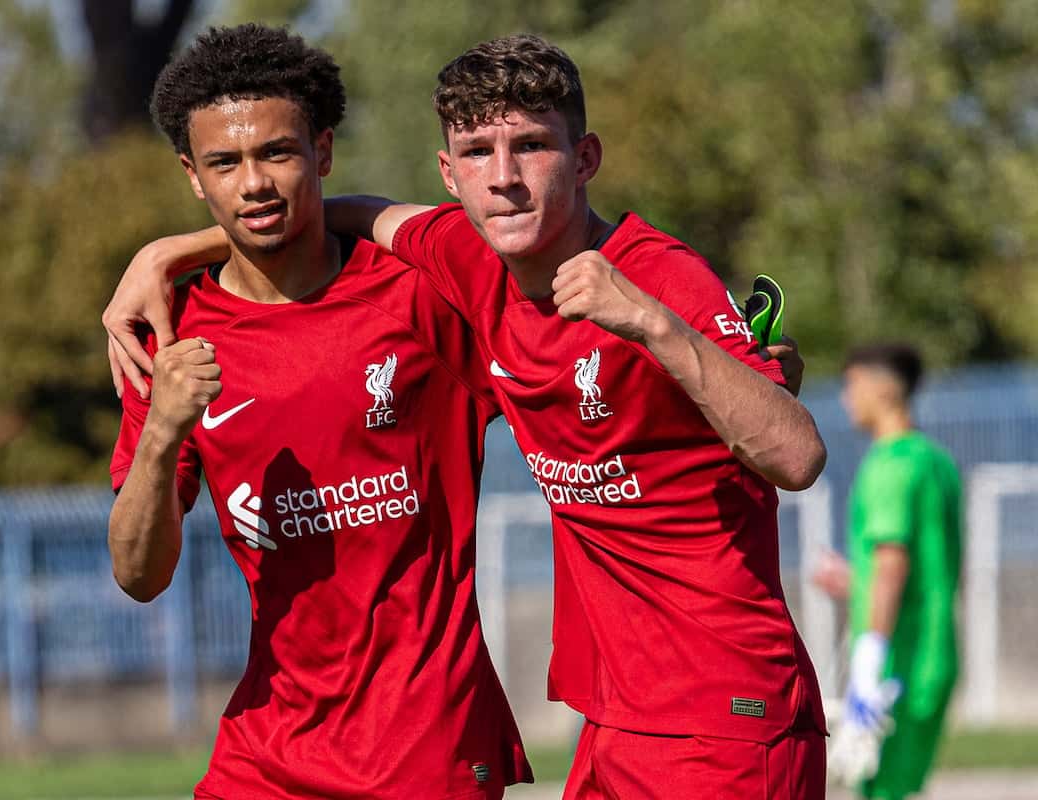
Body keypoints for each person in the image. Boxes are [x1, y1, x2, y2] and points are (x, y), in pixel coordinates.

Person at [106, 34, 829, 798]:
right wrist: (167, 268)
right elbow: (137, 574)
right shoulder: (186, 336)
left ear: (322, 153)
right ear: (450, 174)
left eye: (531, 147)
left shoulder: (529, 284)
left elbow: (793, 452)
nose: (505, 178)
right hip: (320, 748)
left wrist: (671, 333)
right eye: (479, 152)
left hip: (626, 727)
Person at [107, 25, 531, 799]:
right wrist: (163, 431)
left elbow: (573, 372)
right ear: (193, 176)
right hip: (264, 756)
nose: (253, 184)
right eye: (225, 164)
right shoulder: (170, 335)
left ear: (323, 152)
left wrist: (729, 355)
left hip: (424, 750)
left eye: (277, 153)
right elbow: (138, 575)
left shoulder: (421, 292)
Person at [814, 343, 962, 800]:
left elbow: (892, 562)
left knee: (884, 793)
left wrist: (868, 661)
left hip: (897, 663)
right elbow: (926, 569)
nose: (846, 399)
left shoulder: (890, 465)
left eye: (852, 385)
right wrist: (858, 584)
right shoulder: (935, 461)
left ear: (882, 389)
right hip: (933, 654)